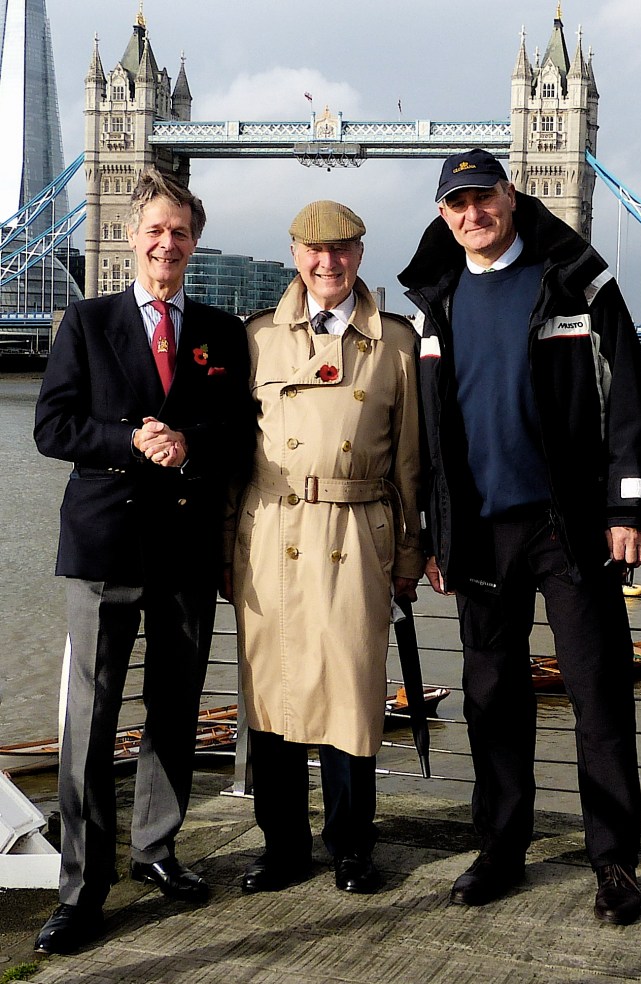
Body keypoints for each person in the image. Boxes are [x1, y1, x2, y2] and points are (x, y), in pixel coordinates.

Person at [398, 149, 641, 925]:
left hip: (568, 525)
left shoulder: (578, 281)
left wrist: (628, 510)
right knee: (490, 697)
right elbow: (424, 435)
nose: (470, 214)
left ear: (509, 197)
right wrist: (430, 534)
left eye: (482, 197)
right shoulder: (432, 301)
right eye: (455, 204)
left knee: (598, 696)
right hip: (476, 534)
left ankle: (612, 861)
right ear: (442, 214)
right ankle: (500, 849)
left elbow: (629, 400)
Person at [33, 167, 252, 954]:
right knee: (88, 723)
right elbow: (52, 429)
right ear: (132, 237)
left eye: (181, 233)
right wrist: (131, 438)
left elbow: (242, 433)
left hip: (188, 548)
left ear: (195, 242)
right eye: (155, 231)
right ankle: (82, 888)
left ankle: (156, 849)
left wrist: (193, 441)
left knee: (174, 710)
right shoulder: (86, 322)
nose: (168, 244)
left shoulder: (224, 333)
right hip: (104, 546)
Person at [224, 200, 424, 895]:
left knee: (351, 695)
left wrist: (407, 558)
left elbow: (407, 464)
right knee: (273, 700)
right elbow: (233, 459)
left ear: (359, 255)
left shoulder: (395, 343)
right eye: (314, 251)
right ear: (295, 255)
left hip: (356, 532)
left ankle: (350, 845)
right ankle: (282, 845)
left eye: (341, 249)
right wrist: (228, 550)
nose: (327, 262)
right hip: (272, 532)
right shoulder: (254, 340)